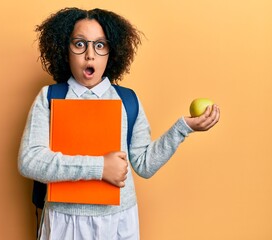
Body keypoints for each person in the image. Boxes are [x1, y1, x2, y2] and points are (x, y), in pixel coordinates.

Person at [18, 7, 220, 240]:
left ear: (111, 53)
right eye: (80, 44)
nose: (90, 55)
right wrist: (100, 167)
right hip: (64, 221)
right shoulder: (50, 97)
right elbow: (30, 161)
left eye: (100, 45)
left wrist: (183, 128)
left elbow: (144, 164)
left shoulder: (128, 100)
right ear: (65, 50)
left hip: (119, 223)